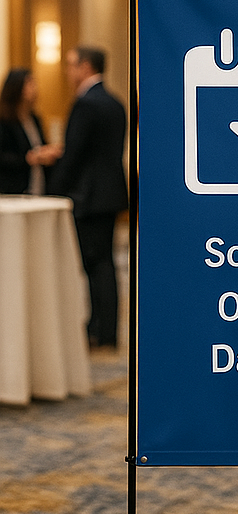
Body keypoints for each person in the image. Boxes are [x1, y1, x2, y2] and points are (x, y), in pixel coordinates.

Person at [51, 46, 129, 349]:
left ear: (85, 67)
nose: (68, 72)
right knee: (105, 263)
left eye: (71, 65)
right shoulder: (115, 102)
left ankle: (99, 328)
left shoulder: (86, 104)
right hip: (110, 194)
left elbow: (76, 156)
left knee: (95, 264)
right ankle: (104, 327)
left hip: (89, 197)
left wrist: (54, 190)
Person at [0, 68, 62, 195]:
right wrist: (27, 158)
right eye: (30, 83)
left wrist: (48, 151)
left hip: (36, 182)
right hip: (13, 187)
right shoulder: (4, 120)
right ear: (16, 87)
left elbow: (38, 146)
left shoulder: (34, 119)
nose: (35, 88)